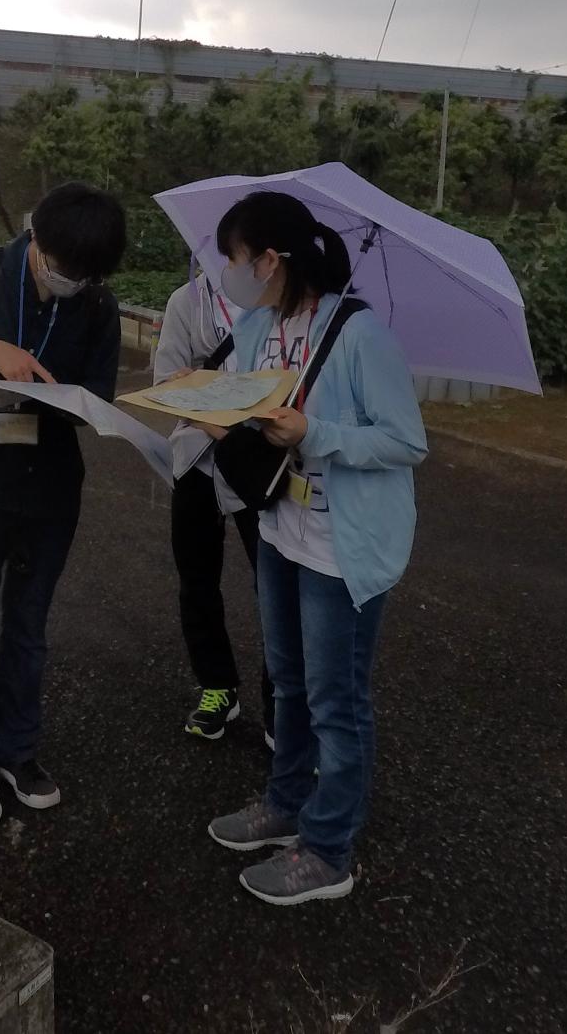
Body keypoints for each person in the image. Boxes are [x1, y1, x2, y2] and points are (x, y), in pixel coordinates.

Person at [202, 191, 426, 906]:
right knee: (289, 682)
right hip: (281, 530)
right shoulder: (256, 325)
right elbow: (243, 403)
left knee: (337, 700)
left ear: (270, 259)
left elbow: (405, 442)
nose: (229, 272)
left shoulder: (360, 335)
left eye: (235, 259)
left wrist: (315, 434)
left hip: (342, 545)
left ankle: (329, 850)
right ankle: (285, 802)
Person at [0, 182, 127, 825]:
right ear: (36, 238)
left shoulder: (98, 305)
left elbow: (98, 396)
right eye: (63, 265)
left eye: (88, 274)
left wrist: (68, 402)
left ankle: (16, 751)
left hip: (49, 489)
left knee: (28, 628)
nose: (73, 280)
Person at [155, 267, 273, 743]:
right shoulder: (187, 301)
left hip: (259, 462)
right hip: (197, 459)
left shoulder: (277, 302)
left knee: (274, 585)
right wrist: (199, 402)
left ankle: (279, 699)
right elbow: (166, 383)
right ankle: (217, 686)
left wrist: (212, 399)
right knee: (197, 581)